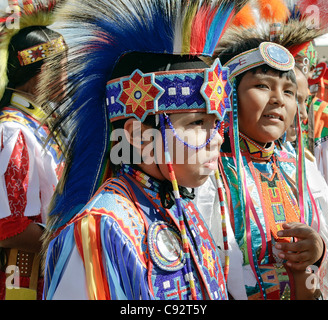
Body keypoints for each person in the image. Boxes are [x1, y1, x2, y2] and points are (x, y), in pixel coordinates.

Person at [40, 0, 249, 300]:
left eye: (216, 124)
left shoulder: (182, 206)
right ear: (140, 137)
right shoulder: (102, 229)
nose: (215, 138)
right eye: (197, 123)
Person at [0, 0, 66, 300]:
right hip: (19, 277)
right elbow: (9, 226)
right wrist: (75, 242)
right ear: (41, 74)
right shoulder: (14, 130)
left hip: (45, 268)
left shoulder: (37, 125)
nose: (68, 77)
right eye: (63, 68)